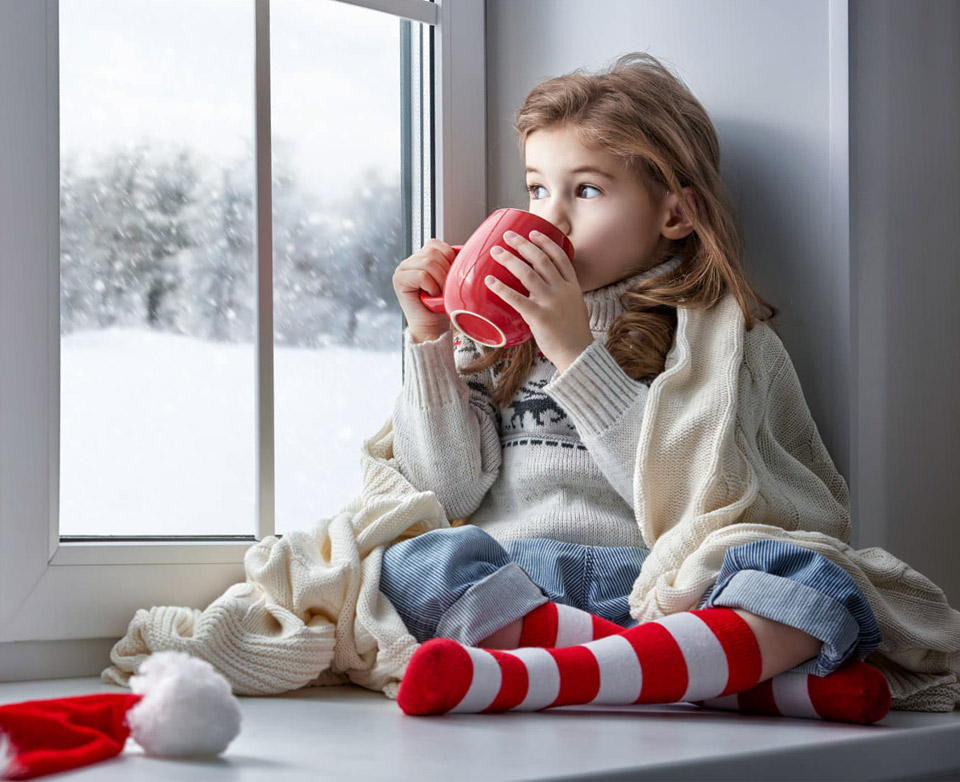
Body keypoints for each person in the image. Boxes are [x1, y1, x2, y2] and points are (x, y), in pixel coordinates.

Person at [379, 52, 889, 723]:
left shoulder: (716, 339)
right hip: (519, 579)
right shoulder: (498, 337)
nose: (552, 219)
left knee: (816, 579)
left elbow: (695, 500)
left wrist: (573, 349)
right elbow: (445, 490)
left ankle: (549, 673)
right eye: (537, 190)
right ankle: (718, 681)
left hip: (659, 583)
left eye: (585, 191)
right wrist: (430, 342)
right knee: (414, 562)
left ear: (675, 214)